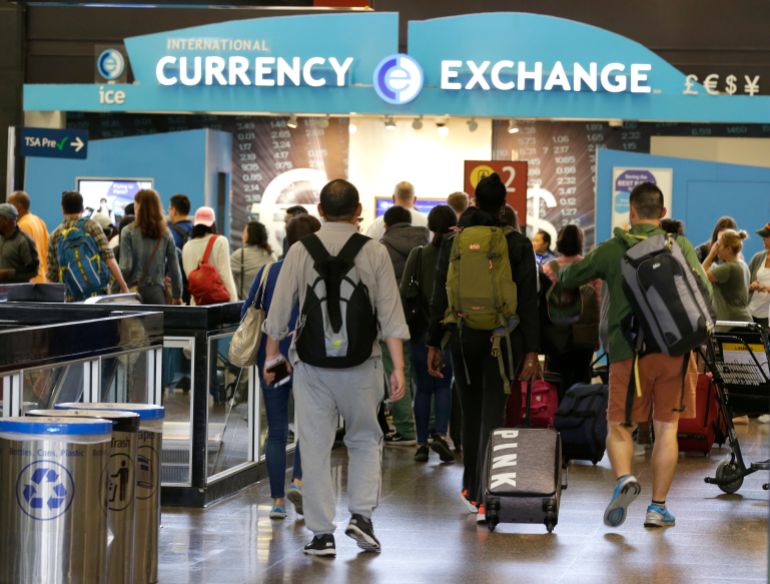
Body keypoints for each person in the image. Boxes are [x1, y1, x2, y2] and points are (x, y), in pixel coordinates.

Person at [263, 179, 409, 557]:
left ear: (321, 212)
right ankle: (361, 517)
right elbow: (390, 313)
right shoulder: (374, 251)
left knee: (314, 446)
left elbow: (278, 311)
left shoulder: (299, 251)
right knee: (364, 439)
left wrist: (271, 356)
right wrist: (399, 368)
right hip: (363, 365)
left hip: (311, 367)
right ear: (358, 210)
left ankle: (321, 535)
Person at [555, 182, 709, 529]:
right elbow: (705, 290)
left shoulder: (613, 249)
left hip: (628, 352)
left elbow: (569, 277)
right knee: (666, 429)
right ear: (663, 213)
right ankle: (658, 507)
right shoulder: (680, 245)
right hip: (675, 351)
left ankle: (624, 478)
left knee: (620, 426)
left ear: (632, 211)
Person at [427, 173, 541, 523]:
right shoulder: (517, 244)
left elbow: (440, 293)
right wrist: (532, 351)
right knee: (494, 412)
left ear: (474, 202)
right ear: (504, 205)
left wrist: (433, 342)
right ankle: (485, 495)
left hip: (462, 337)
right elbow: (528, 302)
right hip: (502, 340)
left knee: (470, 408)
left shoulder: (454, 242)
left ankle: (471, 486)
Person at [242, 214, 321, 520]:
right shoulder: (318, 274)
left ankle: (276, 502)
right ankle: (299, 481)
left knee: (276, 430)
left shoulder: (268, 272)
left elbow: (247, 313)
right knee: (310, 427)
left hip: (271, 359)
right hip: (309, 358)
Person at [400, 205, 457, 463]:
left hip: (420, 329)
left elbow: (404, 291)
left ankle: (421, 444)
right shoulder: (457, 253)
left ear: (430, 226)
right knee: (444, 383)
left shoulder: (419, 254)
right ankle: (441, 435)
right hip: (449, 329)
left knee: (422, 387)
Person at [379, 205, 429, 446]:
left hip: (391, 319)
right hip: (421, 318)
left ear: (386, 225)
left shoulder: (381, 247)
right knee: (423, 372)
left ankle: (406, 428)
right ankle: (427, 426)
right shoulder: (426, 242)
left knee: (398, 371)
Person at [541, 225, 600, 394]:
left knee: (557, 378)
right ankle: (580, 414)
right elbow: (597, 301)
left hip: (556, 333)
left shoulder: (548, 268)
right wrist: (596, 335)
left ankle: (558, 414)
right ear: (580, 242)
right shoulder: (590, 267)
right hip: (584, 333)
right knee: (581, 377)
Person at [47, 191, 129, 299]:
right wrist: (124, 286)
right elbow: (109, 257)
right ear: (82, 208)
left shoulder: (55, 235)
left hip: (71, 296)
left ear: (62, 209)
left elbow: (52, 274)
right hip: (98, 294)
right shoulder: (92, 226)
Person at [119, 189, 182, 305]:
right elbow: (174, 267)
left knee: (133, 323)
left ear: (137, 206)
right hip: (156, 292)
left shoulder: (127, 231)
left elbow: (126, 267)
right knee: (156, 323)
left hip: (133, 294)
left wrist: (115, 288)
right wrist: (177, 295)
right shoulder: (166, 233)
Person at [181, 207, 238, 305]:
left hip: (196, 304)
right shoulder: (220, 241)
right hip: (218, 305)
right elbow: (225, 275)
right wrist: (234, 302)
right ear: (212, 223)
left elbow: (190, 278)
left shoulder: (186, 246)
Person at [702, 229, 752, 322]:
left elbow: (701, 275)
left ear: (728, 249)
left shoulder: (728, 268)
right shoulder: (743, 265)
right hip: (742, 319)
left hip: (731, 322)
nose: (717, 248)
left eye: (719, 245)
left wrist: (711, 255)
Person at [7, 191, 48, 283]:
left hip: (29, 284)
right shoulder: (39, 221)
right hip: (42, 280)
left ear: (18, 207)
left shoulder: (21, 226)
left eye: (9, 205)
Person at [232, 221, 275, 300]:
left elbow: (226, 278)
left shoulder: (240, 255)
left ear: (250, 235)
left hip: (246, 306)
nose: (243, 236)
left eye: (244, 232)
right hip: (267, 305)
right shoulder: (271, 256)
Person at [0, 203, 39, 283]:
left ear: (6, 220)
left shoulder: (24, 241)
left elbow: (33, 271)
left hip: (17, 293)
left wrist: (8, 273)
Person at [747, 223, 770, 328]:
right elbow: (744, 283)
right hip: (750, 312)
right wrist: (751, 286)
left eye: (766, 237)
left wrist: (765, 288)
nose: (762, 239)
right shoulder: (758, 257)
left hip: (767, 317)